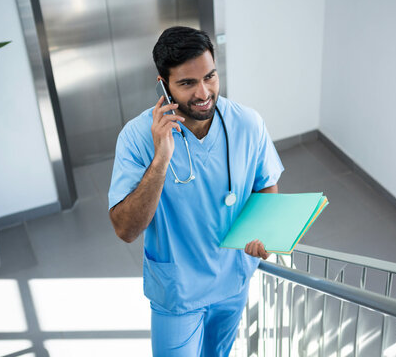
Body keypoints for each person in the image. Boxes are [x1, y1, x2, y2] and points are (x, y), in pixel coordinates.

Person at [108, 26, 284, 357]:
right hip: (179, 294)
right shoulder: (136, 138)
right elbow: (125, 229)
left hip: (233, 282)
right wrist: (161, 158)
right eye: (188, 83)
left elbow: (266, 184)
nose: (204, 92)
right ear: (163, 84)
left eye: (210, 77)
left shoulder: (247, 123)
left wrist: (262, 231)